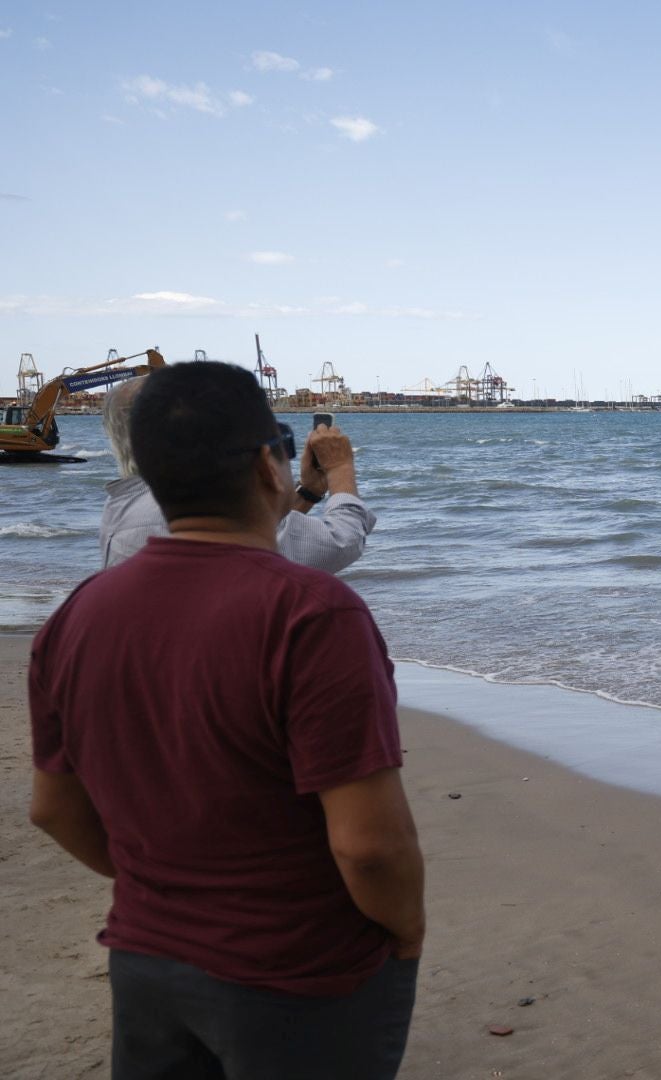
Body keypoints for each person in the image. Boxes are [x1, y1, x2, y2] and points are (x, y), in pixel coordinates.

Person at [29, 360, 424, 1079]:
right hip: (294, 968)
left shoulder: (77, 615)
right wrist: (407, 931)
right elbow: (370, 847)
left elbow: (54, 809)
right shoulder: (313, 614)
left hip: (147, 955)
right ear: (267, 467)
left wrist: (165, 893)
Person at [99, 375, 376, 572]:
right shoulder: (190, 505)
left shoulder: (125, 508)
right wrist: (340, 469)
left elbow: (256, 540)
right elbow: (339, 543)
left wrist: (308, 493)